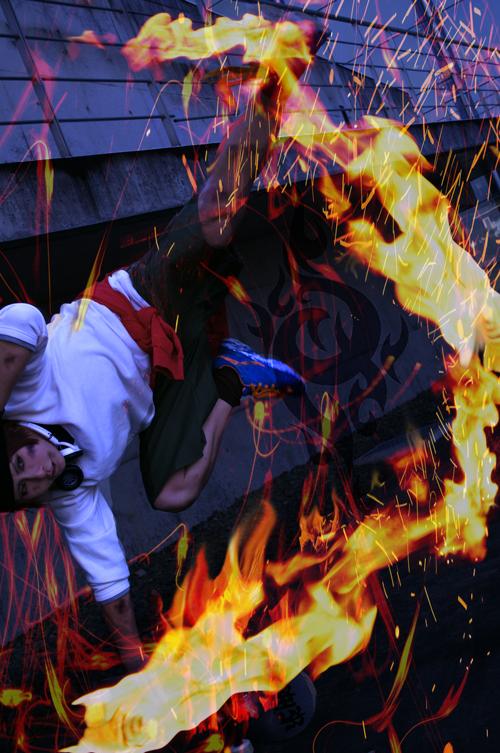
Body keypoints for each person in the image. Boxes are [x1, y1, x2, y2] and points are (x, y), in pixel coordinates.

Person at [0, 27, 317, 673]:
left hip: (145, 297)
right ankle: (231, 382)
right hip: (170, 379)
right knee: (172, 493)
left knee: (215, 215)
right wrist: (134, 664)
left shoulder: (22, 390)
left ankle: (279, 82)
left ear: (15, 437)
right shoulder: (72, 493)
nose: (38, 474)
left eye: (21, 462)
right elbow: (108, 581)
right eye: (27, 490)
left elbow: (22, 319)